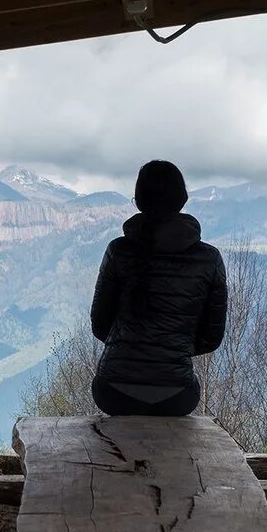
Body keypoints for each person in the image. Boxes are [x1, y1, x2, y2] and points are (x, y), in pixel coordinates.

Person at [89, 160, 227, 417]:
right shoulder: (209, 259)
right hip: (177, 395)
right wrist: (174, 345)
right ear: (182, 198)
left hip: (113, 391)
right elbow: (211, 337)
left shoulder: (118, 251)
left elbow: (100, 325)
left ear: (139, 199)